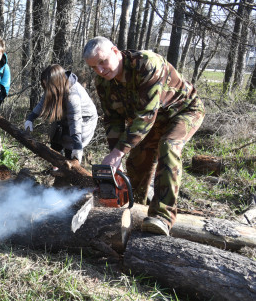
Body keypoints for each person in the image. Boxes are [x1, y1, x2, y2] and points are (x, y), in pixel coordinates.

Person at [82, 36, 205, 236]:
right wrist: (116, 154)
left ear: (115, 51)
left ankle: (162, 216)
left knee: (168, 146)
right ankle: (136, 208)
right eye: (94, 67)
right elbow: (113, 120)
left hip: (182, 111)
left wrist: (118, 152)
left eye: (103, 62)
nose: (101, 70)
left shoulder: (147, 64)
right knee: (137, 163)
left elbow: (146, 115)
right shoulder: (103, 83)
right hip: (149, 120)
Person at [24, 64, 98, 163]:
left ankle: (70, 173)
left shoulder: (72, 95)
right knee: (55, 140)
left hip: (84, 119)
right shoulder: (53, 85)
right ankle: (56, 167)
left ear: (56, 84)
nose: (47, 90)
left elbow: (75, 120)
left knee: (70, 149)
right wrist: (31, 118)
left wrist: (77, 146)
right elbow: (43, 102)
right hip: (67, 117)